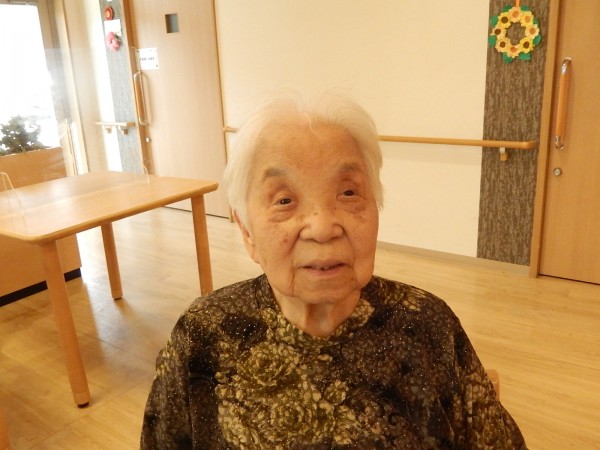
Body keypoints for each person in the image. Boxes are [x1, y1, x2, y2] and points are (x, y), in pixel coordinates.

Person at [141, 92, 527, 449]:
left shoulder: (427, 323)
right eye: (284, 200)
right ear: (247, 232)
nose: (323, 227)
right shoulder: (203, 332)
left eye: (348, 192)